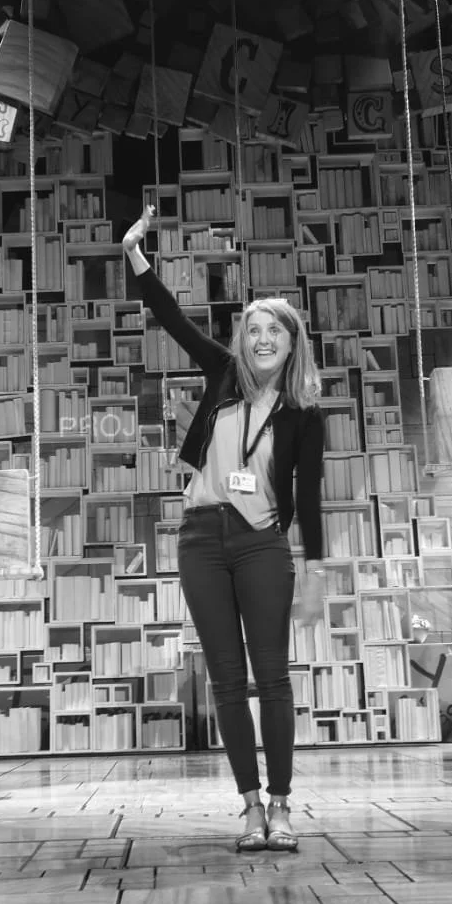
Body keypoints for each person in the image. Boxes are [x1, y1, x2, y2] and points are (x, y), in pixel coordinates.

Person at [122, 203, 326, 852]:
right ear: (243, 340)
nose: (263, 337)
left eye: (276, 329)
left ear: (292, 342)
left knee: (273, 678)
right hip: (202, 539)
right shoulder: (222, 377)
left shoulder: (302, 413)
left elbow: (310, 493)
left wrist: (316, 568)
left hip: (263, 543)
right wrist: (135, 254)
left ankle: (284, 806)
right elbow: (173, 317)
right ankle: (248, 808)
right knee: (226, 680)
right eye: (254, 328)